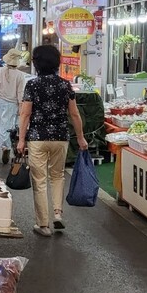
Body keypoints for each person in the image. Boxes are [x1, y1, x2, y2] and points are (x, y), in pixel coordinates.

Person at [17, 45, 88, 237]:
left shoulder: (32, 85)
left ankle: (43, 224)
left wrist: (21, 139)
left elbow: (25, 114)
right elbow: (74, 114)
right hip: (60, 138)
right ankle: (58, 213)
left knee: (39, 180)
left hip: (37, 139)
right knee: (57, 176)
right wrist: (80, 137)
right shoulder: (65, 85)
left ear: (37, 63)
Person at [0, 49, 27, 163]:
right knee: (11, 126)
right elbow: (20, 93)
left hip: (0, 102)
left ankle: (3, 146)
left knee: (0, 125)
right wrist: (20, 107)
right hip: (13, 104)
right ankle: (9, 145)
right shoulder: (20, 75)